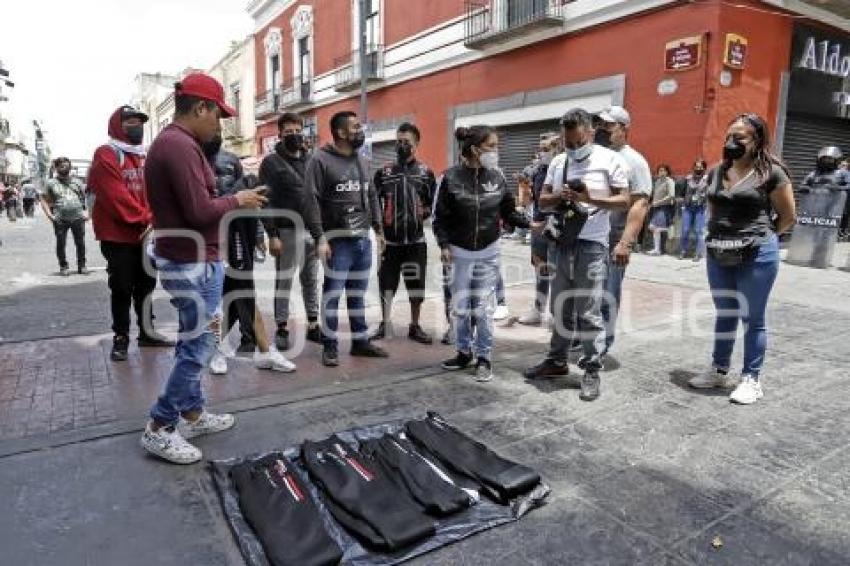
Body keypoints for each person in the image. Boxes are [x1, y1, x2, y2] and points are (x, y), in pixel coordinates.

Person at [140, 73, 268, 464]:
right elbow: (199, 211)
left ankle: (192, 413)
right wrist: (237, 200)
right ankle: (160, 426)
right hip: (189, 263)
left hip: (197, 261)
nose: (220, 123)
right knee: (200, 345)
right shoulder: (178, 146)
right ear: (200, 108)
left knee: (195, 341)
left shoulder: (178, 144)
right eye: (217, 114)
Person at [688, 113, 796, 405]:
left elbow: (788, 217)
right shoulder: (715, 171)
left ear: (757, 140)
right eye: (729, 136)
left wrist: (763, 238)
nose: (732, 141)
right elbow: (713, 208)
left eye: (741, 137)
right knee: (725, 313)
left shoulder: (771, 172)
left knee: (752, 317)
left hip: (756, 254)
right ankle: (719, 369)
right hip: (719, 252)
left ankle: (751, 378)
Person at [523, 108, 629, 401]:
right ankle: (557, 361)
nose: (572, 147)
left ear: (591, 133)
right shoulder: (558, 162)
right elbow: (543, 200)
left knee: (589, 310)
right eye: (567, 142)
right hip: (560, 243)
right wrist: (562, 196)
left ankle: (592, 368)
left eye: (577, 142)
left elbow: (624, 201)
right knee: (559, 308)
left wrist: (588, 198)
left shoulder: (610, 160)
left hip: (592, 246)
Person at [434, 125, 529, 382]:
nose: (496, 151)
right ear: (475, 149)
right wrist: (443, 246)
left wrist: (532, 224)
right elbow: (439, 218)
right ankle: (463, 352)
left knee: (485, 308)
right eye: (492, 146)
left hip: (489, 251)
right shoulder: (449, 178)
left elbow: (509, 212)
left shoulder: (497, 177)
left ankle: (484, 357)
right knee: (461, 307)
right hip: (458, 253)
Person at [203, 128, 296, 375]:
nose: (216, 132)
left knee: (244, 291)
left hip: (237, 233)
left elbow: (250, 200)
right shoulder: (192, 161)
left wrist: (257, 235)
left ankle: (259, 349)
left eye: (220, 127)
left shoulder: (232, 160)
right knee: (216, 300)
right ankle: (219, 350)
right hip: (208, 237)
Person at [302, 111, 388, 367]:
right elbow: (310, 200)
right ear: (340, 132)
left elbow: (371, 194)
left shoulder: (362, 160)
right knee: (333, 295)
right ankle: (330, 345)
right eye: (355, 127)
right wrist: (320, 237)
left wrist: (378, 229)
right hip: (337, 241)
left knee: (357, 294)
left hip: (362, 240)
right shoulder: (319, 160)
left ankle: (360, 342)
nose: (360, 130)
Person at [87, 105, 173, 362]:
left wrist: (158, 218)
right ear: (117, 125)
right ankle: (121, 337)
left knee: (146, 286)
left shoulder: (146, 155)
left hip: (146, 235)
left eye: (139, 122)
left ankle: (147, 332)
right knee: (122, 287)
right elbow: (115, 197)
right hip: (118, 236)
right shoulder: (106, 154)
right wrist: (148, 217)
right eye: (129, 123)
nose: (136, 126)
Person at [592, 106, 652, 357]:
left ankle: (602, 344)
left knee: (607, 291)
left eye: (608, 126)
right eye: (599, 126)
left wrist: (626, 242)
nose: (602, 131)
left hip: (614, 237)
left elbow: (640, 203)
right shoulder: (595, 156)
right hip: (591, 236)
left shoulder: (634, 161)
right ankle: (585, 336)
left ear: (624, 129)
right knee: (586, 290)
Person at [260, 112, 323, 351]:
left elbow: (318, 196)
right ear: (280, 134)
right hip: (286, 231)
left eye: (298, 131)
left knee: (311, 279)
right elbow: (265, 200)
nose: (294, 135)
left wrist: (321, 234)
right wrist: (272, 235)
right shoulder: (271, 163)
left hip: (311, 230)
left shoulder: (311, 160)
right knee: (284, 281)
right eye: (289, 132)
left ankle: (314, 324)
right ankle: (282, 327)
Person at [371, 122, 436, 344]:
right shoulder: (383, 172)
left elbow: (432, 204)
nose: (401, 145)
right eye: (398, 141)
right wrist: (378, 231)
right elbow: (373, 203)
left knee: (416, 285)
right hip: (390, 242)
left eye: (406, 142)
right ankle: (385, 323)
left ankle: (415, 326)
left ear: (416, 144)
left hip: (416, 242)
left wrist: (422, 213)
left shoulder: (426, 173)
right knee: (386, 284)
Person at [519, 135, 560, 326]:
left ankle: (555, 312)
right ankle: (538, 309)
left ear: (556, 148)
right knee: (540, 267)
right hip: (538, 225)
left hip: (557, 227)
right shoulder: (537, 171)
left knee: (557, 269)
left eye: (547, 148)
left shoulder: (562, 168)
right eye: (541, 148)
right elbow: (531, 200)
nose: (542, 152)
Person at [41, 157, 89, 276]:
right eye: (62, 166)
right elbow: (43, 199)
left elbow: (87, 197)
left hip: (78, 217)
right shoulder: (51, 183)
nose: (66, 168)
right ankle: (63, 266)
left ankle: (82, 266)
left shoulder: (77, 182)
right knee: (61, 243)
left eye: (67, 166)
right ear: (56, 168)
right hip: (60, 219)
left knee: (80, 243)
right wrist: (49, 215)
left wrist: (87, 212)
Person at [679, 159, 709, 261]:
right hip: (688, 208)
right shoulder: (687, 179)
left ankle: (698, 253)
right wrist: (682, 203)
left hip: (700, 208)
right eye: (696, 167)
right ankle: (683, 251)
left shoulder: (708, 180)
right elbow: (681, 193)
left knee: (699, 231)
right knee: (685, 230)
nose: (698, 169)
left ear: (704, 168)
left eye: (700, 167)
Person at [647, 164, 676, 255]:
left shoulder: (669, 181)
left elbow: (671, 196)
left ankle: (657, 249)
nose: (661, 172)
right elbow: (655, 195)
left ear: (667, 172)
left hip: (665, 207)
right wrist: (651, 204)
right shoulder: (657, 181)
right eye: (660, 171)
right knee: (653, 227)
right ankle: (657, 249)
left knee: (656, 228)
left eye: (663, 170)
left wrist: (658, 202)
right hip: (656, 207)